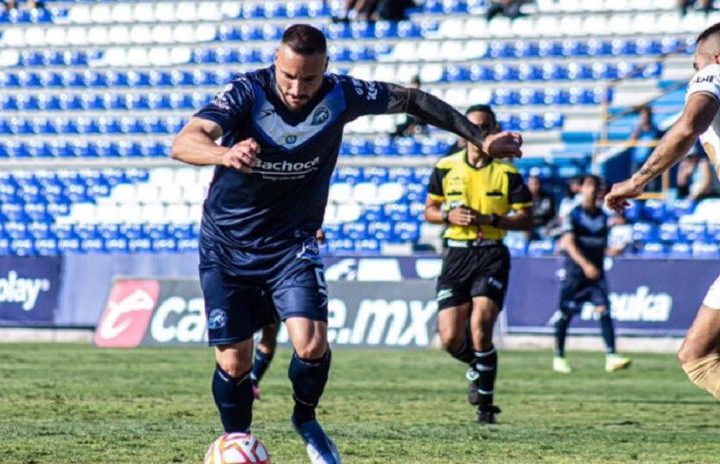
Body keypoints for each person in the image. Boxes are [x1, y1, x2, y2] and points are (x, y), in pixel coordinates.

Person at [171, 24, 523, 461]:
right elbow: (185, 141)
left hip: (291, 243)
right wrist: (223, 154)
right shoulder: (246, 92)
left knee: (312, 343)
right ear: (276, 64)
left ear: (326, 69)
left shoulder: (343, 94)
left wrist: (480, 137)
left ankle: (305, 418)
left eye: (310, 78)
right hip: (227, 245)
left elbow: (413, 100)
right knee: (234, 364)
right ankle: (238, 442)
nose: (298, 89)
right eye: (289, 77)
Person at [606, 20, 720, 418]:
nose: (693, 73)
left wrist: (638, 180)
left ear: (715, 58)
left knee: (701, 355)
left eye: (694, 65)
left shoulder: (718, 74)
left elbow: (687, 126)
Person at [423, 104, 532, 424]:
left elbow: (527, 219)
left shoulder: (508, 172)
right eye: (470, 127)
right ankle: (477, 367)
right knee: (450, 339)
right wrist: (446, 216)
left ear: (494, 129)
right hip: (456, 253)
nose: (476, 133)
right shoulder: (445, 167)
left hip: (491, 253)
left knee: (481, 327)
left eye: (484, 127)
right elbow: (429, 210)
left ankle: (486, 407)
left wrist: (492, 218)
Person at [552, 175, 632, 374]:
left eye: (598, 188)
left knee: (604, 310)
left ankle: (611, 356)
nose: (594, 192)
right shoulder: (574, 215)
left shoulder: (603, 217)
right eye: (591, 187)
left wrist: (612, 251)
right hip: (575, 273)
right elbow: (569, 244)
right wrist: (586, 265)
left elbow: (598, 244)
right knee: (565, 313)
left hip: (596, 273)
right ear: (582, 189)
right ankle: (559, 356)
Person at [251, 229, 326, 401]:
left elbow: (316, 232)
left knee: (269, 334)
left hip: (285, 273)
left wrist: (314, 232)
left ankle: (253, 381)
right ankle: (240, 380)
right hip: (253, 269)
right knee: (244, 334)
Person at [526, 169, 556, 240]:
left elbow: (552, 216)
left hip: (544, 228)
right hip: (527, 228)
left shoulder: (548, 197)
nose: (534, 186)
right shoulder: (522, 197)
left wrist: (549, 227)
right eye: (531, 184)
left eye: (536, 183)